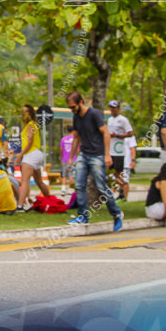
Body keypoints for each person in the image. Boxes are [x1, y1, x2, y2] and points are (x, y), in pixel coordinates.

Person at [65, 92, 123, 231]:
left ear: (80, 102)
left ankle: (117, 214)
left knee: (101, 186)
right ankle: (83, 216)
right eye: (70, 108)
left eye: (73, 107)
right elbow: (76, 138)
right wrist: (71, 158)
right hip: (84, 154)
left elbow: (106, 133)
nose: (72, 110)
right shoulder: (76, 117)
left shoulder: (94, 114)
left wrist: (107, 155)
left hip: (97, 155)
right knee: (79, 185)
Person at [13, 104, 51, 210]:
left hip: (31, 154)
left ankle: (20, 206)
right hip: (37, 153)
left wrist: (20, 155)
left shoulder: (30, 124)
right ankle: (50, 200)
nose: (22, 115)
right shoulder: (33, 124)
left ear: (29, 114)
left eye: (24, 112)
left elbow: (29, 142)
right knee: (39, 181)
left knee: (25, 180)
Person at [106, 100, 133, 201]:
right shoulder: (110, 120)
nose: (112, 110)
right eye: (111, 108)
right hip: (110, 149)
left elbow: (130, 133)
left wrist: (117, 135)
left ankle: (123, 191)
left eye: (114, 108)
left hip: (118, 150)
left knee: (118, 172)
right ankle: (113, 192)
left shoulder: (123, 120)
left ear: (118, 109)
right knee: (110, 173)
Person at [59, 125, 77, 193]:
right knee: (71, 175)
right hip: (73, 160)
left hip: (65, 160)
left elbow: (61, 149)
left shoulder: (63, 139)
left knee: (64, 174)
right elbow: (78, 149)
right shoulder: (75, 139)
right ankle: (70, 190)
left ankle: (63, 189)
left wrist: (62, 158)